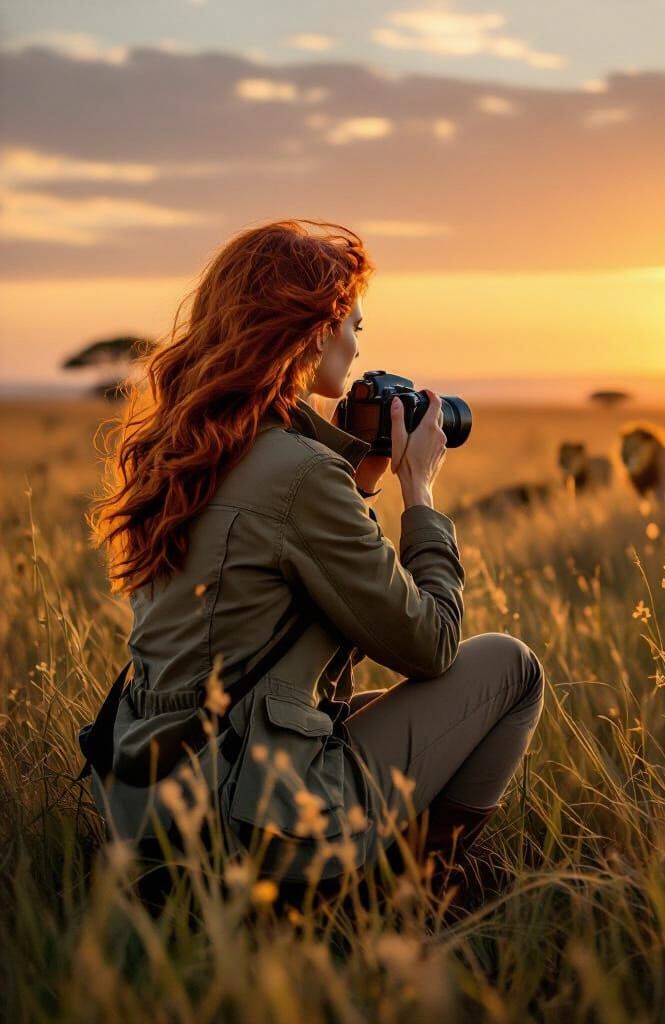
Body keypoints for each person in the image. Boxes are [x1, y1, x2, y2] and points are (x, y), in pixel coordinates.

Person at [88, 219, 545, 887]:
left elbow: (268, 609)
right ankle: (409, 893)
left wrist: (355, 483)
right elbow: (431, 644)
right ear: (314, 325)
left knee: (362, 713)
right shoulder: (298, 473)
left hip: (153, 803)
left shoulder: (187, 447)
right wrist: (418, 492)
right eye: (354, 324)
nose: (358, 348)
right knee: (510, 667)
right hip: (246, 822)